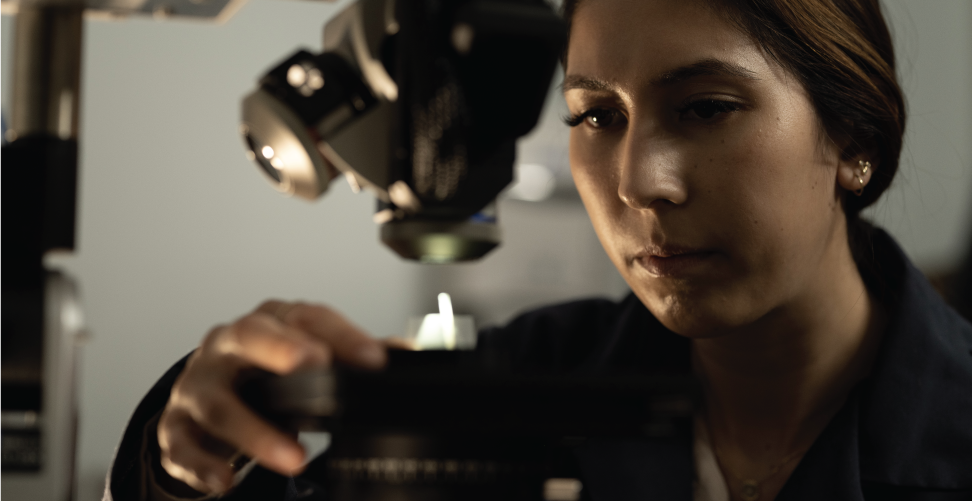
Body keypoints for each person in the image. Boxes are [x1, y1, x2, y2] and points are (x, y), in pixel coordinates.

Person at [104, 0, 972, 500]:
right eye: (596, 115)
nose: (639, 180)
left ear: (855, 138)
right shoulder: (526, 384)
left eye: (706, 107)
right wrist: (187, 460)